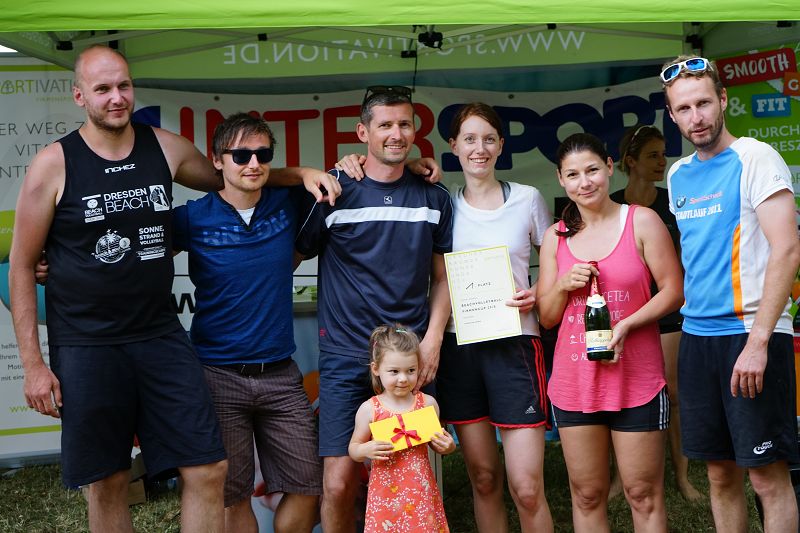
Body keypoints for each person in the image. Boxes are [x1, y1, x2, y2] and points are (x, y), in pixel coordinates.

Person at [9, 45, 335, 533]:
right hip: (88, 343)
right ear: (79, 96)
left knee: (208, 468)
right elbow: (20, 265)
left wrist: (302, 174)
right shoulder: (53, 164)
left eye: (123, 86)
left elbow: (235, 178)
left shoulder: (165, 147)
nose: (116, 97)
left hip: (160, 335)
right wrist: (34, 366)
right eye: (103, 89)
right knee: (108, 479)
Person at [295, 85, 453, 532]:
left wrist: (433, 340)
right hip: (346, 355)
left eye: (404, 124)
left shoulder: (434, 196)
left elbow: (444, 278)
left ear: (415, 130)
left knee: (411, 472)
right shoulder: (334, 190)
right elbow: (290, 256)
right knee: (339, 482)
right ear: (363, 132)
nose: (395, 134)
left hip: (408, 360)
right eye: (385, 125)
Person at [661, 55, 800, 532]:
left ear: (722, 100)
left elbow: (787, 249)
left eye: (703, 103)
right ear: (672, 115)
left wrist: (758, 343)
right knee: (719, 474)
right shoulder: (677, 174)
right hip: (698, 338)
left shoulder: (756, 157)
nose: (696, 117)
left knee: (766, 476)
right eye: (684, 109)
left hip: (751, 333)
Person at [172, 113, 324, 533]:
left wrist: (305, 173)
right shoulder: (192, 217)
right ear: (217, 160)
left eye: (262, 154)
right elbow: (135, 250)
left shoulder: (287, 203)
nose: (253, 163)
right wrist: (52, 262)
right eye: (241, 155)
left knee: (309, 484)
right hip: (218, 374)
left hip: (281, 373)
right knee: (232, 494)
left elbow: (362, 175)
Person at [536, 133, 683, 533]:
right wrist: (563, 285)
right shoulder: (555, 236)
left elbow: (674, 291)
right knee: (586, 494)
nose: (584, 182)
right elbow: (547, 317)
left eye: (592, 170)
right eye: (572, 175)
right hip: (575, 383)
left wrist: (628, 324)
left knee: (642, 494)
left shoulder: (641, 220)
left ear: (609, 167)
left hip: (637, 379)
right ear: (561, 179)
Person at [437, 103, 553, 533]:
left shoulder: (527, 199)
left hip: (516, 345)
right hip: (460, 347)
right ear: (453, 146)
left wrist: (540, 291)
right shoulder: (444, 204)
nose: (479, 148)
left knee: (527, 486)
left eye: (488, 139)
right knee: (484, 478)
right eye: (469, 139)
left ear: (501, 145)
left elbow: (558, 259)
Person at [609, 124, 701, 501]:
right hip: (622, 317)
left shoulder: (674, 202)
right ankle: (620, 478)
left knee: (674, 394)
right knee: (622, 394)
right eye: (652, 155)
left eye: (663, 154)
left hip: (667, 311)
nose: (662, 162)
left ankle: (682, 477)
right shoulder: (611, 204)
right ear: (630, 161)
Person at [348, 324, 455, 533]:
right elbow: (354, 448)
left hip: (420, 492)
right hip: (385, 496)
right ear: (376, 369)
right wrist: (365, 449)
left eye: (411, 370)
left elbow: (437, 443)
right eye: (394, 371)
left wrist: (448, 446)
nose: (403, 378)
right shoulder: (370, 409)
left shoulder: (427, 404)